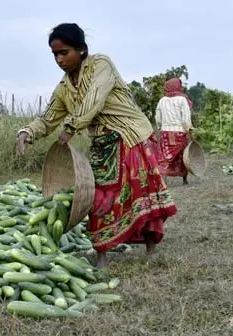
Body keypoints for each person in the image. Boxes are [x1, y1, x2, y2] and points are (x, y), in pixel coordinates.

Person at [14, 23, 178, 268]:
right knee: (98, 195)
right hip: (102, 143)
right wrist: (27, 132)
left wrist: (69, 129)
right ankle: (102, 252)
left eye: (64, 52)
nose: (59, 59)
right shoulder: (64, 88)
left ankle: (151, 249)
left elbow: (95, 98)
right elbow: (48, 118)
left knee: (137, 192)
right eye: (55, 54)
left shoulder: (101, 65)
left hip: (129, 135)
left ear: (80, 49)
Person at [155, 78, 195, 185]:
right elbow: (186, 118)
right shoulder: (182, 100)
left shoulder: (162, 100)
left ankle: (163, 180)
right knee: (183, 156)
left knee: (165, 157)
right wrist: (189, 129)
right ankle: (184, 179)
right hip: (179, 133)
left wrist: (160, 127)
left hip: (165, 133)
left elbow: (158, 118)